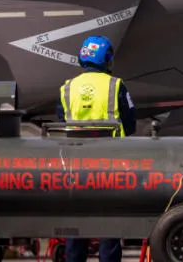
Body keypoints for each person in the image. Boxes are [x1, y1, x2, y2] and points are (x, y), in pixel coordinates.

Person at [58, 35, 136, 262]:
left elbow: (60, 122)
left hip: (75, 168)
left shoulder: (66, 88)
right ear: (107, 59)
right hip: (110, 167)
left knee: (76, 225)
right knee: (109, 227)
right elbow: (130, 125)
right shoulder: (116, 86)